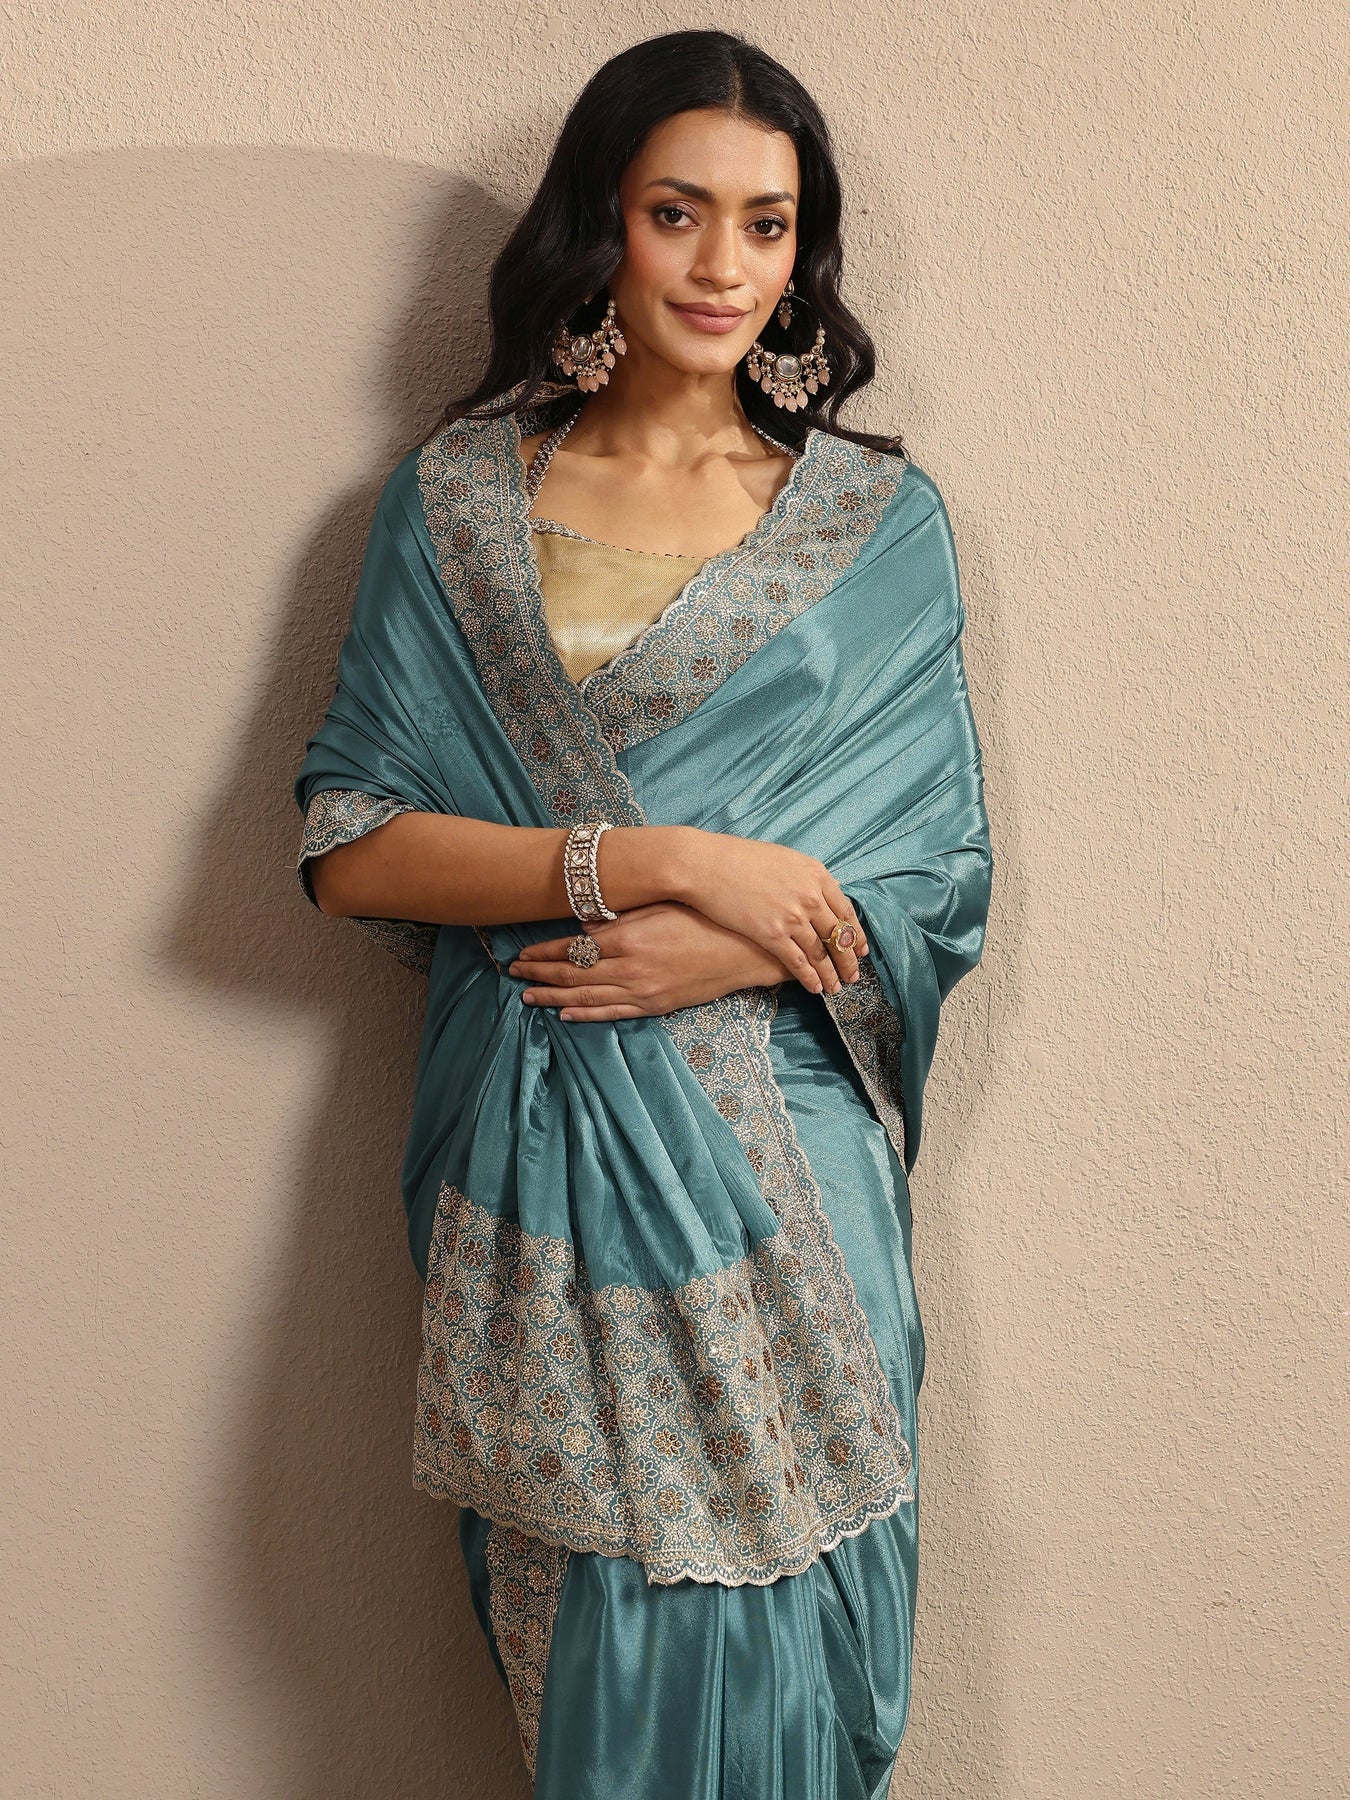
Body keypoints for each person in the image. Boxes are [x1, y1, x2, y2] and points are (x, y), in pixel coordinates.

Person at [292, 28, 993, 1800]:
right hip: (541, 1146)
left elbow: (930, 882)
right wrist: (656, 863)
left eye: (766, 223)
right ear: (597, 225)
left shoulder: (875, 527)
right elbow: (356, 843)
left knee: (789, 1628)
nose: (721, 266)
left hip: (786, 1170)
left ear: (802, 253)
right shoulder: (458, 508)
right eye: (676, 213)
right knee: (608, 1624)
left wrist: (741, 939)